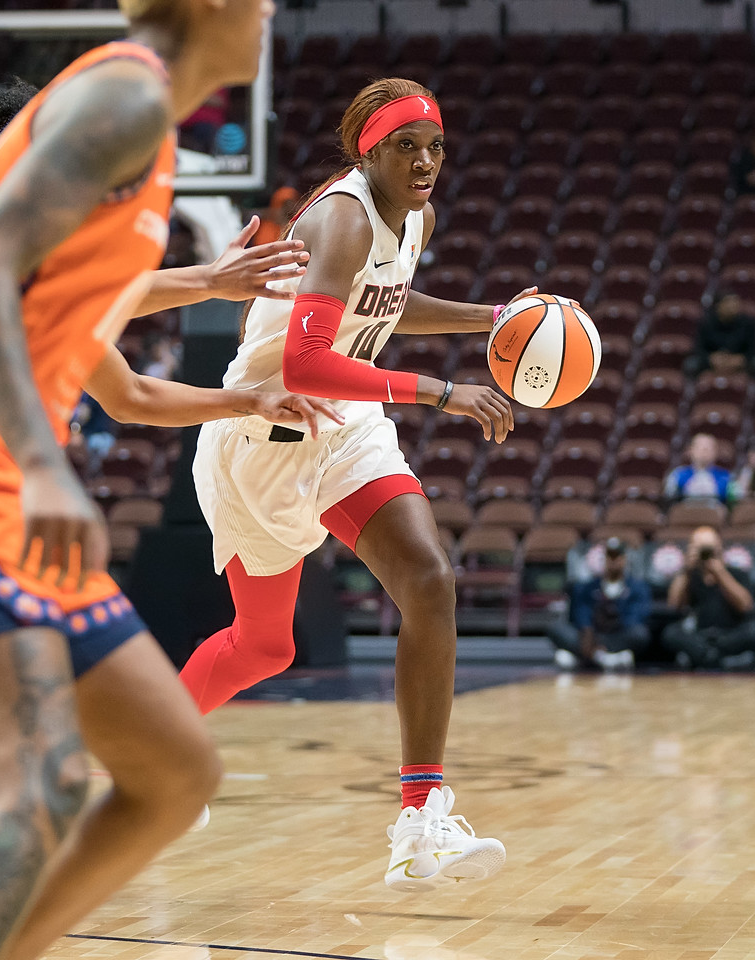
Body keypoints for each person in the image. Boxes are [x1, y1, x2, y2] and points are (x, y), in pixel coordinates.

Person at [0, 44, 343, 906]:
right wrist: (209, 279)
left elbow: (135, 394)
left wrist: (247, 401)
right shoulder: (5, 240)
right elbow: (93, 292)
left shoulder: (67, 267)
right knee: (20, 734)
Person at [183, 77, 531, 892]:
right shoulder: (340, 215)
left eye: (435, 146)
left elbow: (386, 307)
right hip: (262, 433)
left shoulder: (416, 218)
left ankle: (420, 825)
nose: (424, 161)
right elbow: (305, 361)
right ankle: (152, 744)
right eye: (405, 146)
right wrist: (440, 391)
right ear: (367, 151)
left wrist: (492, 318)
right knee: (266, 645)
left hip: (342, 424)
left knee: (429, 581)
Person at [662, 526, 755, 670]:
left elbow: (745, 606)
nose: (706, 554)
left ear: (719, 547)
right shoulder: (690, 575)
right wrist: (686, 571)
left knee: (754, 631)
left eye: (709, 548)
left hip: (730, 635)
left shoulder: (736, 573)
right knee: (671, 632)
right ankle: (715, 658)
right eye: (701, 549)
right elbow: (673, 605)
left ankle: (709, 658)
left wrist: (719, 572)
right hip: (700, 637)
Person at [548, 537, 651, 672]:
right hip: (591, 636)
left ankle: (586, 657)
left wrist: (615, 619)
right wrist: (588, 629)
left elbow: (636, 617)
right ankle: (605, 658)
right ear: (604, 559)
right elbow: (581, 612)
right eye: (609, 556)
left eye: (617, 556)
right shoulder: (588, 587)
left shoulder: (637, 587)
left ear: (625, 559)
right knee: (556, 628)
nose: (613, 560)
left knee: (640, 634)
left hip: (619, 635)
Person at [684, 292, 755, 382]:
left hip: (741, 360)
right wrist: (710, 358)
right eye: (729, 302)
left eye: (736, 302)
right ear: (718, 306)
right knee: (690, 364)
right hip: (713, 362)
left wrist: (742, 358)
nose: (734, 306)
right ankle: (692, 393)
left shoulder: (749, 323)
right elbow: (698, 347)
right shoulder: (706, 323)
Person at [664, 433, 733, 504]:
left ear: (716, 452)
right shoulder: (678, 475)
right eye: (699, 447)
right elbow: (669, 501)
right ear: (690, 451)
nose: (704, 451)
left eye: (709, 448)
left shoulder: (726, 477)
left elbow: (733, 505)